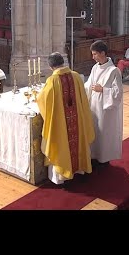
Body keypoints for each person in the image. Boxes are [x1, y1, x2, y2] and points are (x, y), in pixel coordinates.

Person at [37, 52, 96, 185]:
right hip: (77, 121)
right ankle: (79, 169)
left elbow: (43, 99)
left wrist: (38, 98)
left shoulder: (52, 80)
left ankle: (61, 177)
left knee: (61, 142)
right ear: (63, 62)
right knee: (78, 140)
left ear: (51, 66)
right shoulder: (76, 76)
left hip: (61, 123)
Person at [84, 40, 123, 165]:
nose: (93, 57)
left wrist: (103, 90)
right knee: (95, 130)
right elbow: (88, 85)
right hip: (94, 107)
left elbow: (118, 94)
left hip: (106, 109)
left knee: (103, 132)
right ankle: (94, 156)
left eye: (95, 54)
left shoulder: (114, 71)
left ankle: (104, 158)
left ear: (103, 53)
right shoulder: (95, 67)